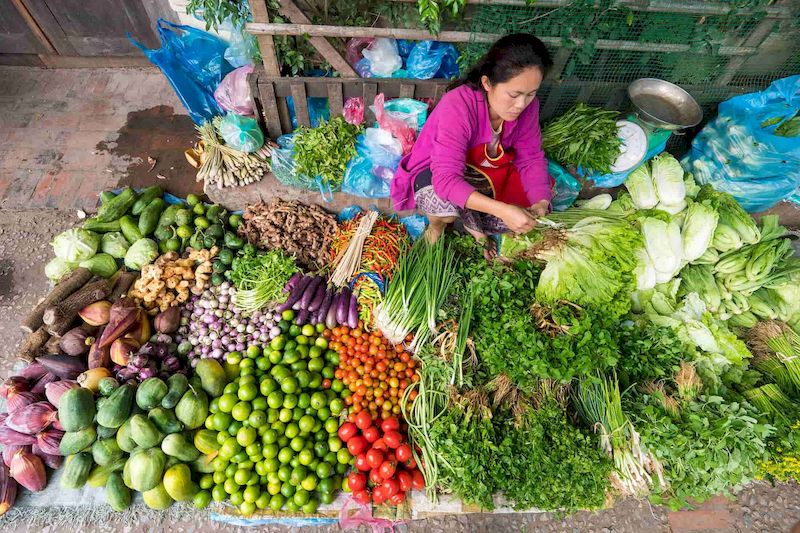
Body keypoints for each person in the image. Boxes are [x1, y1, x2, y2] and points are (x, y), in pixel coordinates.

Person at [390, 33, 554, 259]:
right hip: (437, 171)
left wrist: (541, 202)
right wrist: (503, 210)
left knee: (525, 215)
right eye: (514, 95)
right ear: (487, 83)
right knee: (444, 207)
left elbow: (531, 158)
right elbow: (446, 179)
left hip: (484, 171)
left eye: (530, 94)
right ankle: (436, 226)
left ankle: (474, 223)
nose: (521, 104)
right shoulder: (459, 105)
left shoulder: (528, 107)